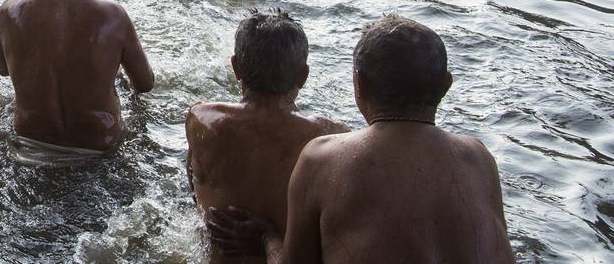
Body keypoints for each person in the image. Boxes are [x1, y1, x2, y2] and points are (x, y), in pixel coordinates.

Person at [208, 16, 513, 264]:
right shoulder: (480, 158)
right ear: (445, 87)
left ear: (359, 85)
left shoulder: (324, 156)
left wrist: (267, 240)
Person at [187, 11, 347, 257]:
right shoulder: (332, 138)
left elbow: (193, 189)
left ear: (236, 67)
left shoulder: (201, 119)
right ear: (303, 76)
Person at [0, 0, 153, 165]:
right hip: (98, 149)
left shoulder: (10, 11)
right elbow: (144, 84)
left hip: (30, 142)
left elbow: (4, 70)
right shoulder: (113, 16)